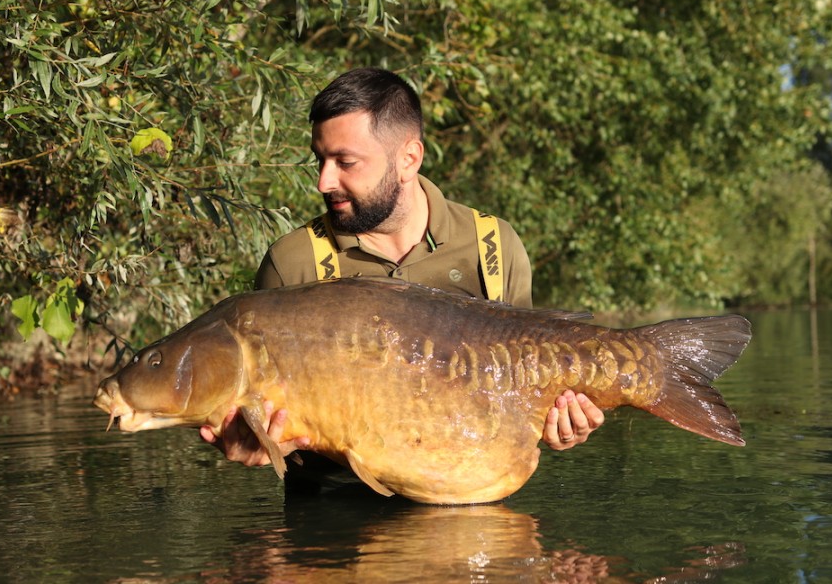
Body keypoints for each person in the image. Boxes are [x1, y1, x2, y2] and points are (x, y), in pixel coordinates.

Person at [200, 67, 604, 485]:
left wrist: (562, 422)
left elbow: (526, 385)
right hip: (333, 525)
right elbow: (269, 418)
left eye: (346, 162)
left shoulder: (493, 246)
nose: (324, 181)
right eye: (320, 159)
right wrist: (259, 441)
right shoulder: (295, 261)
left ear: (408, 158)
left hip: (480, 516)